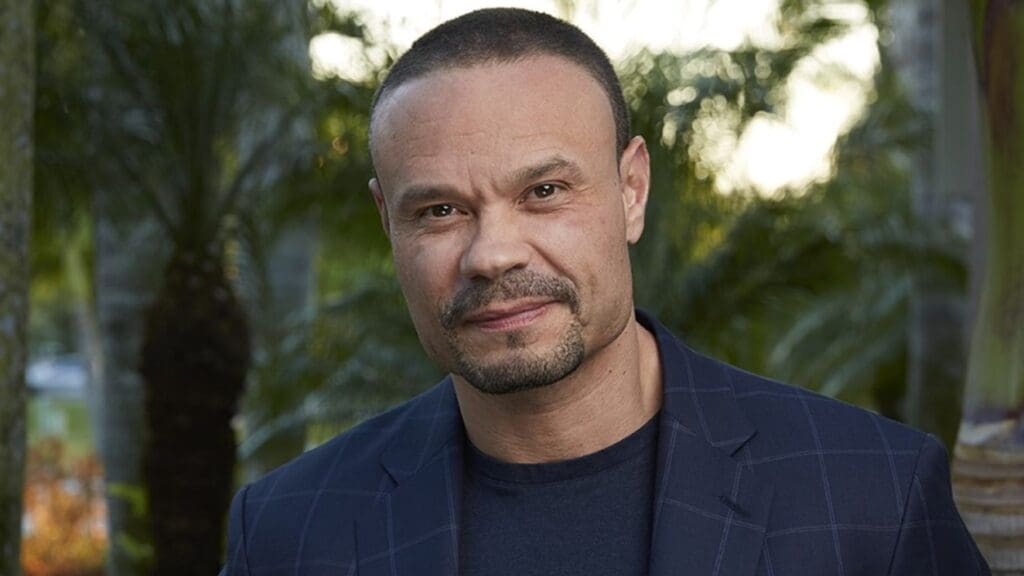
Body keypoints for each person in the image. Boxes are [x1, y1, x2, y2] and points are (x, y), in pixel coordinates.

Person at [222, 8, 990, 575]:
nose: (492, 254)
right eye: (441, 211)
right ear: (388, 222)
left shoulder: (869, 496)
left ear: (632, 190)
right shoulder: (291, 530)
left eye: (544, 191)